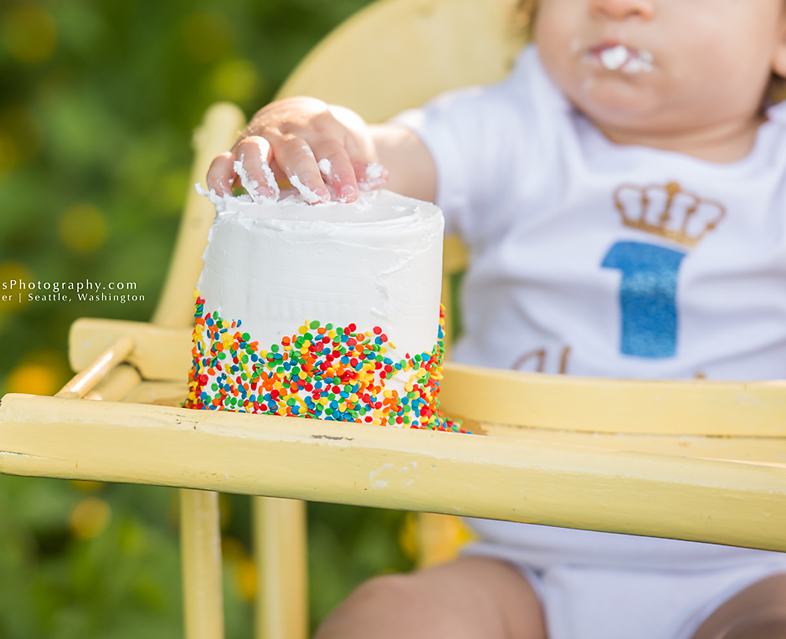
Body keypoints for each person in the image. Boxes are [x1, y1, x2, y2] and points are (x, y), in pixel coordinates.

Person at [206, 0, 786, 637]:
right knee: (392, 620)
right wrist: (324, 135)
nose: (618, 5)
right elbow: (382, 162)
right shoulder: (514, 128)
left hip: (753, 566)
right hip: (521, 572)